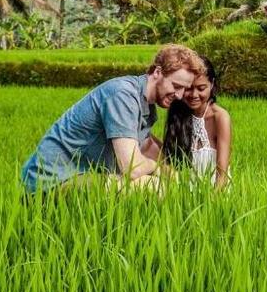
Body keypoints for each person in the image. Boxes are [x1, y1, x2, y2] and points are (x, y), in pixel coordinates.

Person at [20, 44, 206, 194]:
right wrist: (155, 168)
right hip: (52, 182)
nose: (180, 95)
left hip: (81, 174)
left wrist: (180, 178)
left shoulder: (145, 104)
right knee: (151, 187)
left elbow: (148, 146)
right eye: (176, 86)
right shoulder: (122, 95)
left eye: (184, 88)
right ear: (157, 73)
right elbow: (132, 167)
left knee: (162, 184)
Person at [158, 56, 232, 189]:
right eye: (188, 88)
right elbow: (168, 160)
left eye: (201, 88)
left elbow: (222, 176)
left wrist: (211, 204)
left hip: (214, 193)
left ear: (212, 84)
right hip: (183, 193)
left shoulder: (220, 117)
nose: (194, 95)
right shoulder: (177, 114)